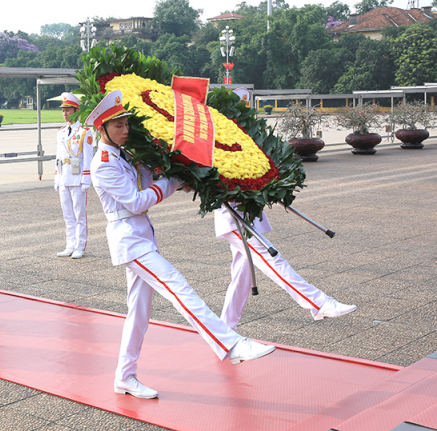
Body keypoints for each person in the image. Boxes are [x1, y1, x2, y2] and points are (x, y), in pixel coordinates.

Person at [88, 90, 276, 400]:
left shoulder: (125, 154)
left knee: (138, 312)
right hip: (130, 241)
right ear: (102, 128)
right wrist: (172, 182)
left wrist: (183, 172)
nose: (125, 130)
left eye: (125, 124)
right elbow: (137, 201)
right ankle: (230, 344)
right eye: (118, 125)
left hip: (141, 237)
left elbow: (152, 178)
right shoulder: (103, 163)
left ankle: (124, 376)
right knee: (179, 287)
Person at [214, 205, 357, 328]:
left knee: (242, 275)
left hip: (247, 212)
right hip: (233, 218)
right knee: (271, 259)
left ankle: (225, 330)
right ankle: (318, 302)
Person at [54, 92, 94, 259]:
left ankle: (80, 246)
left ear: (76, 110)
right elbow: (58, 158)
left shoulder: (85, 132)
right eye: (63, 110)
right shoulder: (61, 132)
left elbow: (88, 158)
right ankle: (70, 245)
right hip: (65, 178)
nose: (65, 113)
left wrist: (86, 180)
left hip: (77, 178)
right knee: (68, 215)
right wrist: (57, 178)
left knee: (79, 215)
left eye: (68, 110)